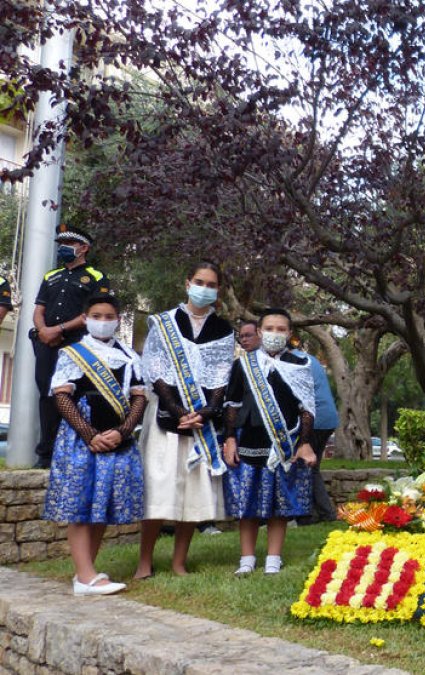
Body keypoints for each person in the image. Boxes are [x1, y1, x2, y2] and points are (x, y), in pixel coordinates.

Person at [42, 293, 146, 595]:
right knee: (81, 505)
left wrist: (124, 431)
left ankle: (87, 572)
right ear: (85, 319)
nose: (103, 322)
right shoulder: (73, 353)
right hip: (81, 440)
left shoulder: (128, 356)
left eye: (109, 317)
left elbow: (138, 397)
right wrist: (89, 434)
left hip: (116, 437)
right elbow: (62, 396)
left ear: (117, 320)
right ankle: (86, 575)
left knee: (101, 505)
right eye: (97, 316)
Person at [136, 262, 235, 578]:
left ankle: (179, 561)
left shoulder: (223, 330)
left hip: (201, 423)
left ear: (217, 290)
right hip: (166, 418)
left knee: (194, 491)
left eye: (211, 284)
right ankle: (144, 561)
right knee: (157, 486)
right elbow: (155, 369)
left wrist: (205, 412)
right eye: (199, 281)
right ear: (187, 282)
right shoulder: (164, 322)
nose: (204, 288)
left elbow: (222, 376)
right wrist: (178, 411)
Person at [222, 308, 318, 575]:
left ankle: (274, 558)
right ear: (260, 332)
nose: (275, 334)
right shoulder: (244, 364)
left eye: (281, 329)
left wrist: (305, 442)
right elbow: (232, 402)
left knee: (279, 503)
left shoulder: (300, 365)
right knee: (248, 503)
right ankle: (247, 559)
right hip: (250, 439)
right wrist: (229, 437)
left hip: (284, 441)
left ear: (289, 334)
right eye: (270, 329)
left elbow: (307, 407)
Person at [30, 224, 111, 469]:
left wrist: (60, 329)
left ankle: (72, 450)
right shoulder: (51, 276)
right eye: (61, 244)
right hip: (45, 342)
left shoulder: (96, 277)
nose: (63, 248)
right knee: (47, 395)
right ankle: (46, 453)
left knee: (72, 396)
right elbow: (38, 309)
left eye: (69, 244)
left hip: (75, 343)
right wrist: (44, 330)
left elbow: (94, 313)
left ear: (83, 248)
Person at [292, 340, 340, 524]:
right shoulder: (309, 358)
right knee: (313, 468)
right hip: (328, 417)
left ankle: (308, 517)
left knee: (304, 467)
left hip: (313, 419)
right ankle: (325, 513)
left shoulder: (292, 361)